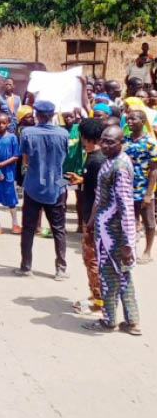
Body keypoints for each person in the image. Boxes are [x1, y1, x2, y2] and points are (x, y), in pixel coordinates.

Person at [83, 125, 141, 335]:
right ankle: (132, 322)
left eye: (111, 142)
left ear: (121, 143)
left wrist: (128, 244)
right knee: (123, 277)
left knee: (109, 277)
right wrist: (91, 222)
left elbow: (126, 207)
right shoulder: (109, 163)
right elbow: (100, 196)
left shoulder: (120, 166)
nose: (105, 145)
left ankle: (109, 321)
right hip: (104, 228)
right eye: (104, 140)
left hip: (114, 235)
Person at [14, 100, 70, 279]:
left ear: (37, 115)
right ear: (53, 115)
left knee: (28, 228)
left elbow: (25, 160)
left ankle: (26, 266)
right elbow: (64, 160)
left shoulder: (27, 133)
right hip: (56, 185)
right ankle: (60, 269)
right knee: (59, 229)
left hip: (33, 185)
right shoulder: (63, 133)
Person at [66, 118, 105, 314]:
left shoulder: (97, 160)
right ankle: (95, 294)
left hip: (94, 218)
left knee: (92, 259)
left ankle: (98, 301)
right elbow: (93, 184)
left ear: (85, 137)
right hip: (92, 215)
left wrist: (90, 221)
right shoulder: (93, 157)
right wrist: (81, 179)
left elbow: (100, 193)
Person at [123, 109, 157, 264]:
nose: (129, 122)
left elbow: (154, 170)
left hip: (143, 188)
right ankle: (130, 250)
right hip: (126, 188)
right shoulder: (124, 140)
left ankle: (148, 250)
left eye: (133, 119)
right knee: (130, 220)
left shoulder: (151, 142)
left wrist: (148, 194)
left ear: (143, 122)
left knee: (149, 222)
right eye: (128, 119)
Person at [0, 114, 20, 237]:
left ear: (8, 124)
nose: (1, 125)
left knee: (11, 199)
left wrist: (0, 164)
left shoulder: (12, 138)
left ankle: (15, 224)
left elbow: (16, 156)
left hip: (9, 172)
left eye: (3, 123)